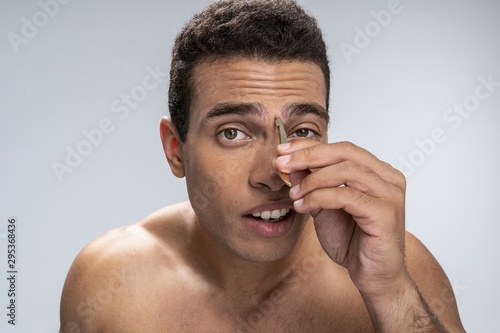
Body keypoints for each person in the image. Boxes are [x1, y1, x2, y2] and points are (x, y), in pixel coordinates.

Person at [59, 0, 466, 332]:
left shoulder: (399, 268)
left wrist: (390, 293)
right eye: (233, 133)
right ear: (175, 150)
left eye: (302, 132)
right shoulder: (106, 282)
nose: (275, 174)